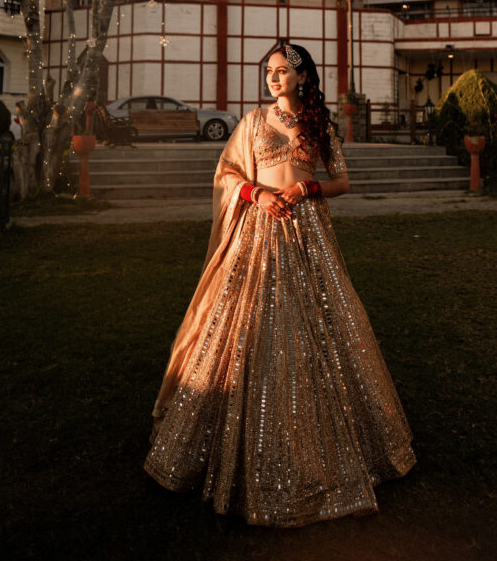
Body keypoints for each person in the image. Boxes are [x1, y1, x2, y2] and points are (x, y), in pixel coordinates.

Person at [144, 43, 416, 526]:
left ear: (303, 76)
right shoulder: (252, 122)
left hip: (307, 233)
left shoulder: (319, 126)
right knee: (244, 323)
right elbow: (226, 173)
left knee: (322, 321)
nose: (273, 78)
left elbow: (343, 181)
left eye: (282, 71)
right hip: (258, 230)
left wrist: (307, 188)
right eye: (268, 71)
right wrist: (256, 193)